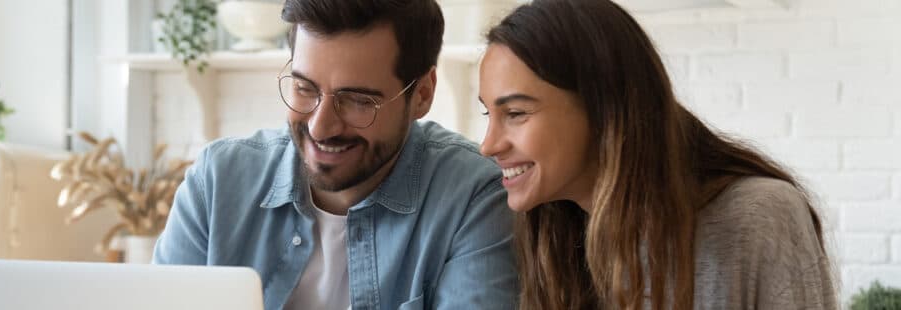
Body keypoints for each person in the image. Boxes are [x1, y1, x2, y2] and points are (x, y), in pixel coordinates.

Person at [153, 1, 517, 309]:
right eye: (304, 88)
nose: (319, 127)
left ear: (421, 94)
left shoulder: (474, 195)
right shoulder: (217, 181)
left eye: (358, 101)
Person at [476, 0, 837, 309]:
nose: (488, 145)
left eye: (516, 113)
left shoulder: (759, 217)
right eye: (487, 114)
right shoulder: (551, 238)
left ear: (605, 107)